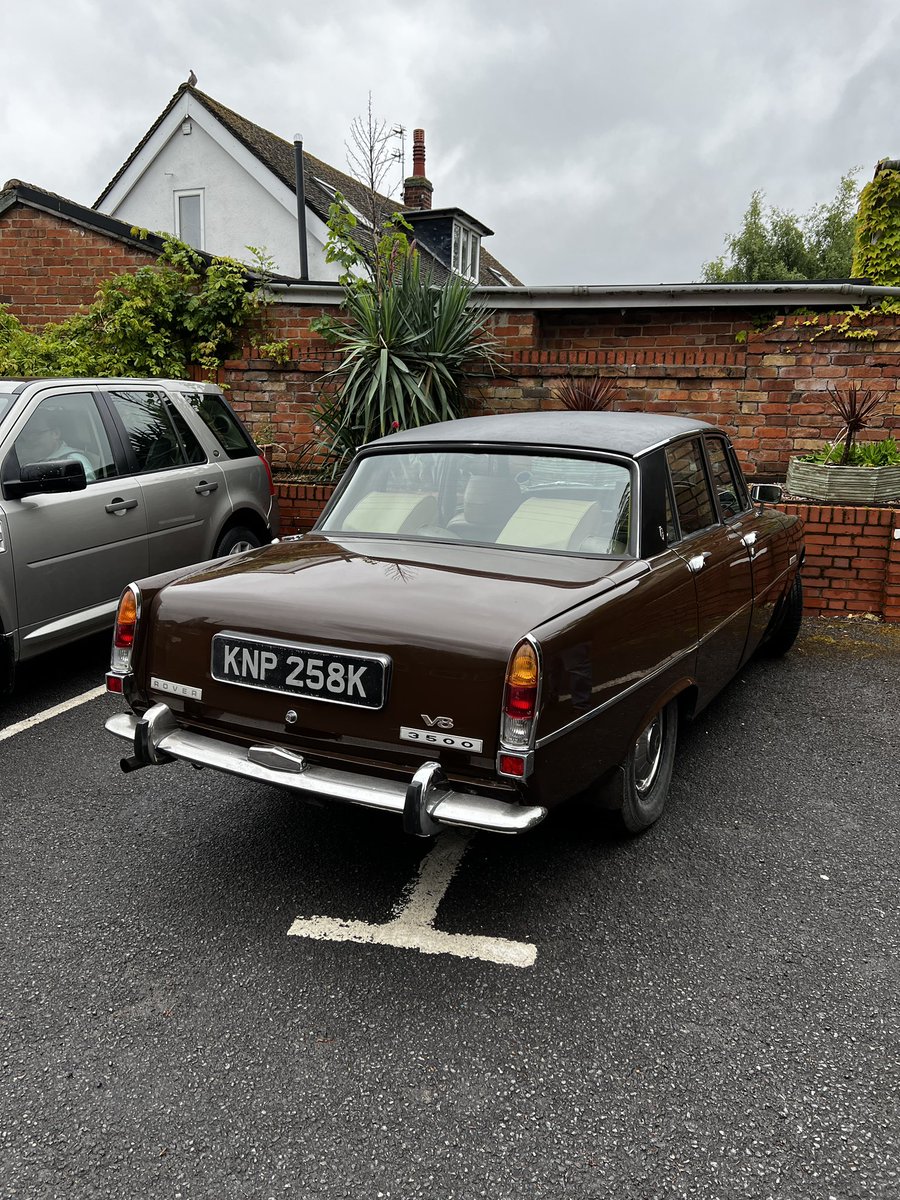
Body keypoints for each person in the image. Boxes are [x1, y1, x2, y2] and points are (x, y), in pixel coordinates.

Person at [16, 410, 96, 482]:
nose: (30, 439)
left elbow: (88, 493)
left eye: (36, 433)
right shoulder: (19, 459)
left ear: (55, 433)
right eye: (26, 434)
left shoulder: (74, 461)